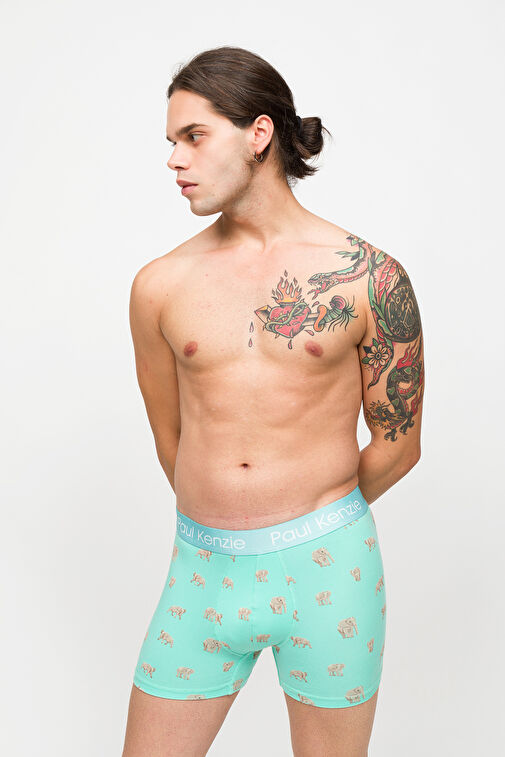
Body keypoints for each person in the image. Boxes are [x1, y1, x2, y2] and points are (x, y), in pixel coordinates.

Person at [121, 45, 424, 757]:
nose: (174, 159)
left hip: (329, 571)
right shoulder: (159, 286)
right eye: (171, 141)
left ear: (258, 134)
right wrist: (231, 515)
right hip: (201, 570)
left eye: (194, 136)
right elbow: (169, 436)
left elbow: (399, 442)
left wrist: (312, 518)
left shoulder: (369, 277)